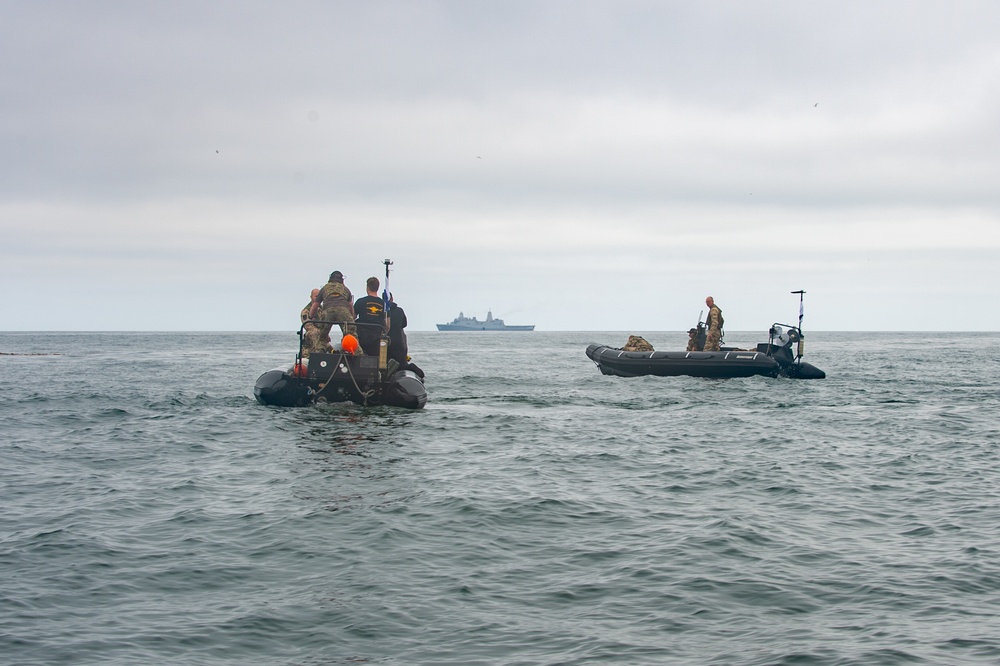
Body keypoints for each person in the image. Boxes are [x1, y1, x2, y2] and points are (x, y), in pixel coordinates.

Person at [386, 293, 424, 379]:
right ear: (392, 298)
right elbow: (404, 324)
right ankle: (413, 369)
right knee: (401, 365)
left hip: (385, 343)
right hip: (398, 343)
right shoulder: (399, 311)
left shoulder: (382, 311)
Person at [311, 271, 356, 340]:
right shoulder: (346, 289)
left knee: (322, 337)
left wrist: (311, 316)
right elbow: (350, 306)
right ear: (342, 280)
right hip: (343, 311)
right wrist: (352, 317)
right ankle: (354, 350)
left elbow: (315, 306)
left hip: (328, 311)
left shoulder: (324, 289)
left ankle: (320, 348)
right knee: (351, 336)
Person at [353, 276, 388, 357]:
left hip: (361, 337)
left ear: (367, 287)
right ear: (378, 288)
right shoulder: (384, 304)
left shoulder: (360, 302)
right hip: (376, 339)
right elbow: (387, 324)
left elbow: (352, 318)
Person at [300, 288, 331, 357]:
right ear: (311, 297)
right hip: (310, 344)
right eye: (316, 296)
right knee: (313, 332)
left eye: (319, 296)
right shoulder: (306, 311)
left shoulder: (322, 309)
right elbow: (308, 326)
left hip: (321, 339)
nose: (318, 298)